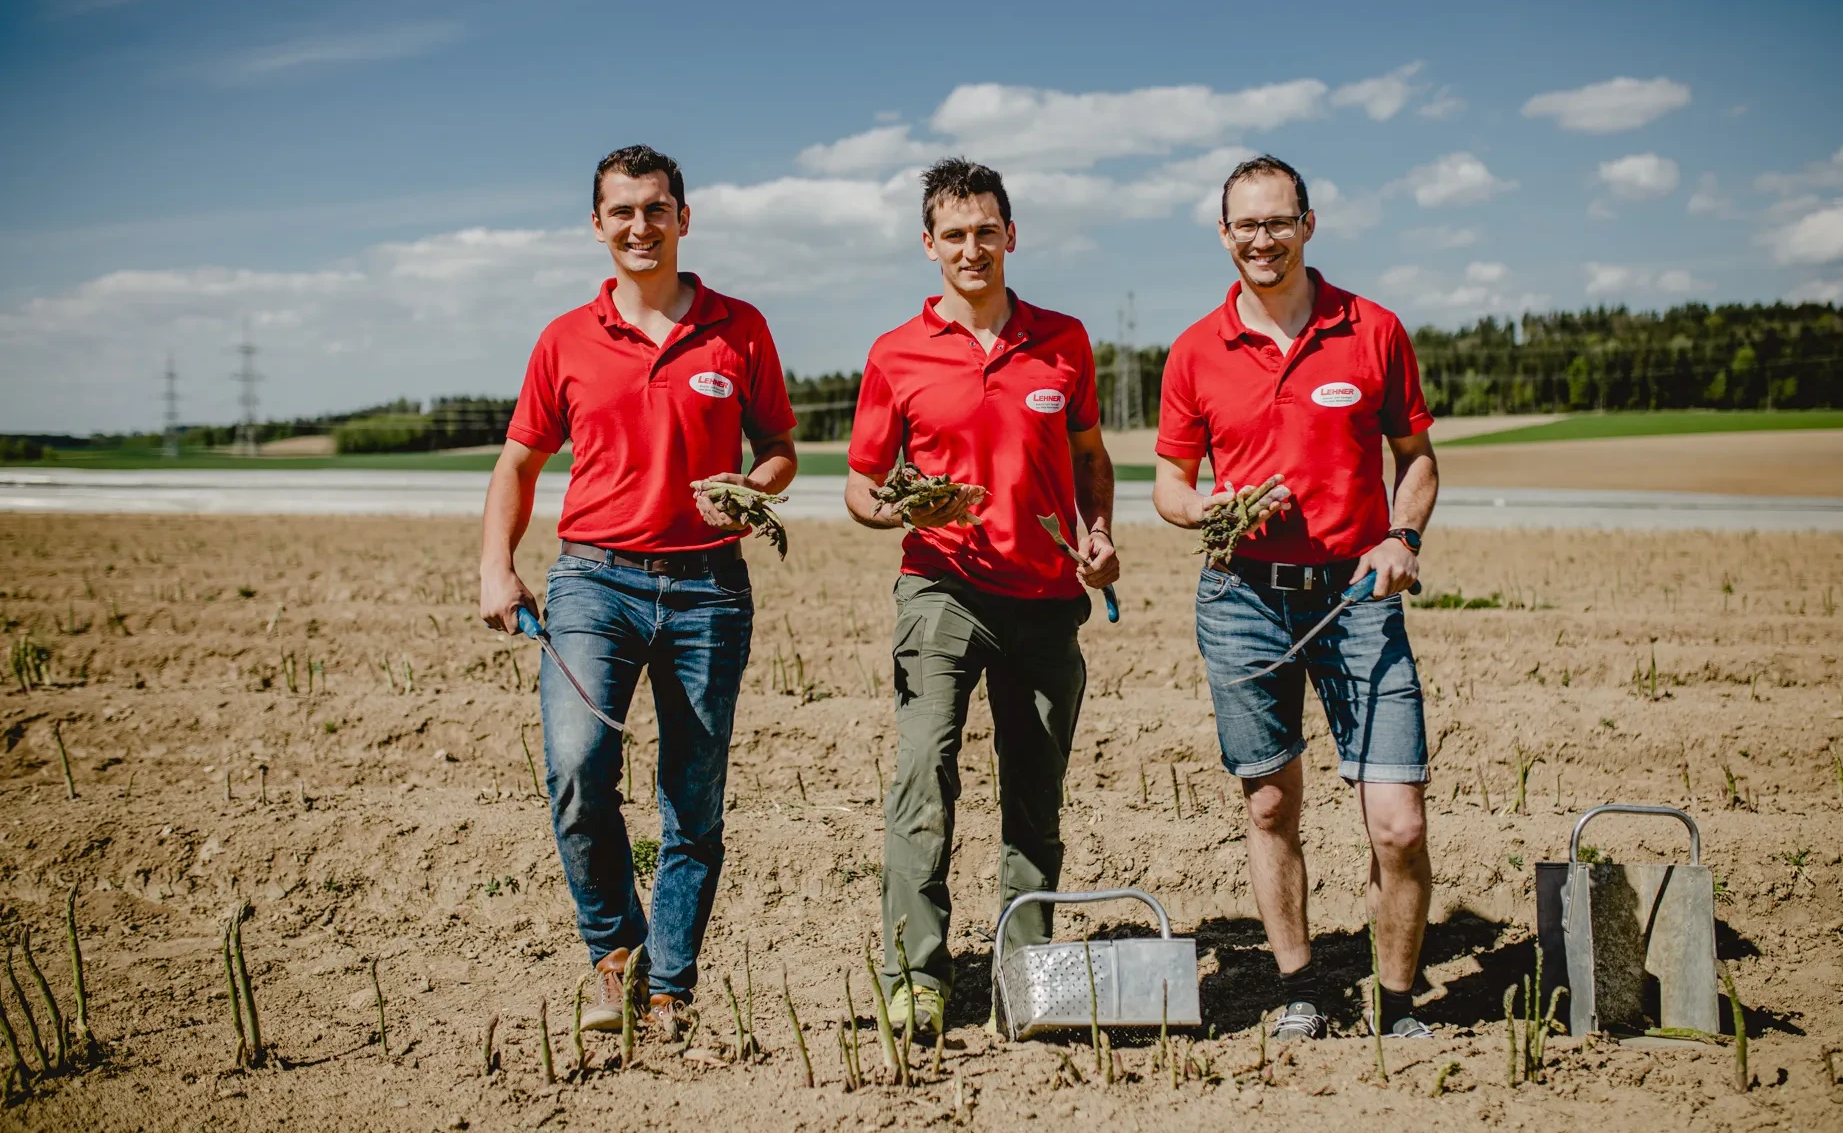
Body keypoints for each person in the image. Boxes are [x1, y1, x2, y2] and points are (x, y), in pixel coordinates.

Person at [478, 144, 797, 1041]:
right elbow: (519, 463)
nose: (639, 226)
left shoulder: (740, 328)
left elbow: (778, 445)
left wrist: (753, 486)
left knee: (691, 799)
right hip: (593, 582)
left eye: (656, 209)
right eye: (621, 212)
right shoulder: (565, 339)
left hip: (708, 591)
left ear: (683, 219)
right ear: (598, 226)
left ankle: (669, 985)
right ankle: (615, 951)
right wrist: (495, 565)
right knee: (579, 770)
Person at [1152, 154, 1440, 1041]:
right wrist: (1205, 506)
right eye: (1246, 224)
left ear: (1308, 225)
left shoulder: (1374, 329)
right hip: (1241, 599)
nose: (1262, 239)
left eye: (1279, 221)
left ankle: (1396, 1004)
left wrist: (1403, 537)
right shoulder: (1196, 350)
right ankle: (1300, 988)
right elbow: (1169, 481)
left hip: (1357, 597)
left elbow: (1417, 457)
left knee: (1397, 822)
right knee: (1270, 802)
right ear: (1223, 233)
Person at [843, 157, 1120, 1032]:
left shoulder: (1064, 340)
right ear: (929, 245)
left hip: (1044, 598)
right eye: (954, 234)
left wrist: (1100, 532)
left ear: (1011, 235)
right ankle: (915, 972)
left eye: (986, 230)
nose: (972, 247)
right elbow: (860, 481)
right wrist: (890, 509)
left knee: (1035, 795)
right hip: (941, 589)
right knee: (925, 776)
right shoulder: (895, 354)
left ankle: (1026, 969)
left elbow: (1088, 458)